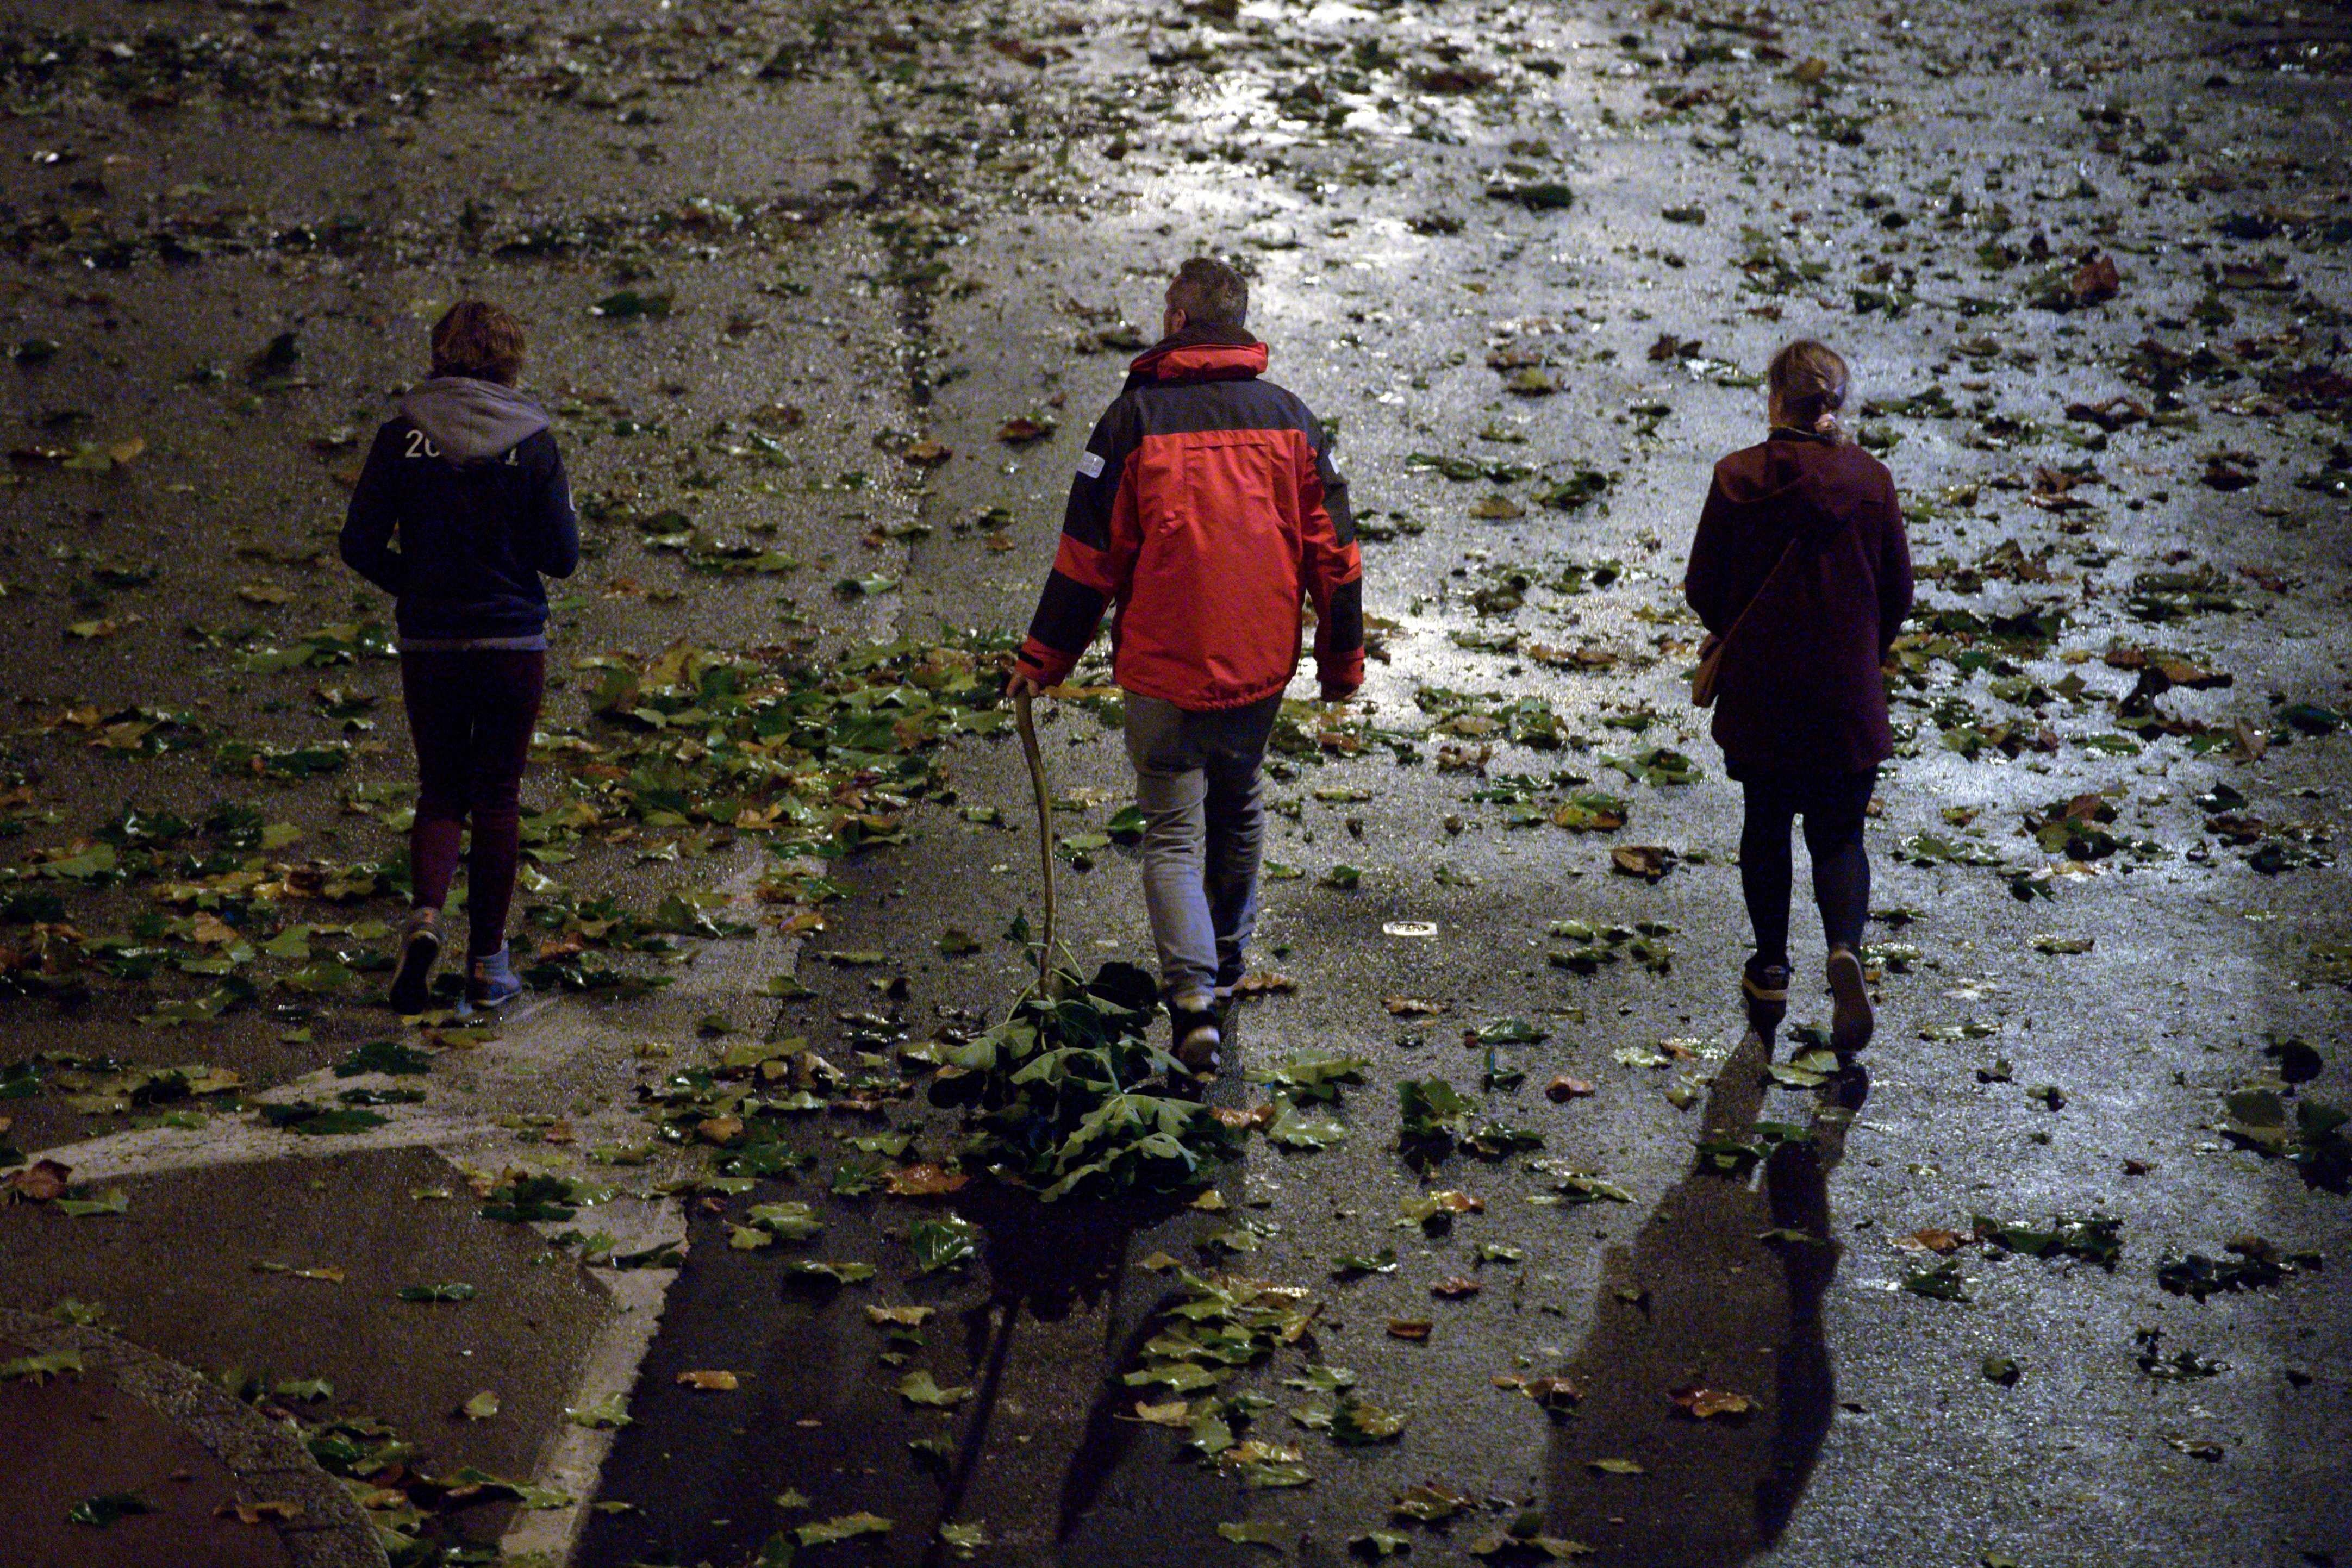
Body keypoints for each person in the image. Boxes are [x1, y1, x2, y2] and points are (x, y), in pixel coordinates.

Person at [1005, 257, 1362, 1078]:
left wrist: (1043, 659)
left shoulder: (1128, 424)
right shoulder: (1292, 421)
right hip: (1257, 670)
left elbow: (1085, 561)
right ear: (1240, 322)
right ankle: (1227, 969)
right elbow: (1336, 556)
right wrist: (1340, 664)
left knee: (1170, 828)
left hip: (1161, 674)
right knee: (1237, 808)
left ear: (1174, 321)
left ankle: (1192, 999)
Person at [340, 301, 579, 1013]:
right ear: (511, 361)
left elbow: (358, 542)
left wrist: (413, 586)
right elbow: (561, 557)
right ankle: (488, 963)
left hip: (431, 641)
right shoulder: (534, 441)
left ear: (438, 357)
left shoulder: (399, 435)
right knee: (498, 796)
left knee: (441, 788)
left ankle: (424, 918)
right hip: (510, 641)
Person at [1685, 339, 1912, 1053]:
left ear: (1776, 401)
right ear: (1836, 405)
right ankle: (1843, 947)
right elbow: (1898, 592)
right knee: (1840, 834)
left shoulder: (1736, 478)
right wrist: (1861, 651)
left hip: (1762, 697)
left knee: (1767, 822)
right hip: (1846, 698)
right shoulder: (1871, 482)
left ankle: (1771, 966)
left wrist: (1739, 632)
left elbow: (1703, 587)